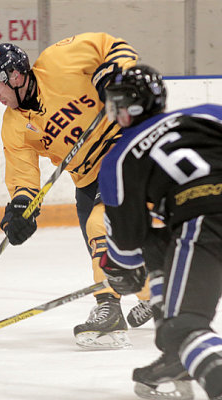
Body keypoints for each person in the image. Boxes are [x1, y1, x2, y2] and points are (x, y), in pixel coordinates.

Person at [0, 32, 153, 350]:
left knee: (102, 226)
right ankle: (157, 296)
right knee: (106, 253)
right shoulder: (14, 124)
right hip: (85, 180)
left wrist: (112, 72)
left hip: (123, 153)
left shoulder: (60, 60)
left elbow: (115, 47)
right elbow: (23, 175)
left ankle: (108, 310)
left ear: (13, 76)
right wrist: (20, 207)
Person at [98, 64, 222, 399]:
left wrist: (124, 273)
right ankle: (178, 360)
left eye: (119, 103)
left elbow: (126, 245)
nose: (116, 111)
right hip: (205, 218)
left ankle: (186, 348)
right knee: (159, 242)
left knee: (182, 328)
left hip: (206, 220)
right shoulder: (208, 113)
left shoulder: (119, 157)